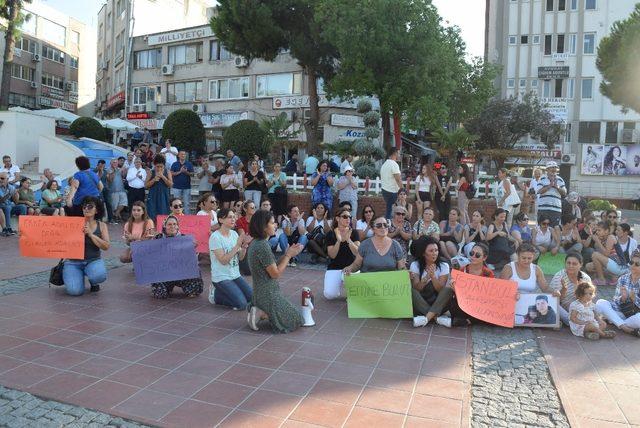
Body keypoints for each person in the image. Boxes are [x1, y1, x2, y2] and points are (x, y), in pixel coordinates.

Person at [246, 209, 304, 333]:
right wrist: (288, 256)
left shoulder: (256, 243)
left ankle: (260, 310)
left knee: (292, 313)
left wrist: (287, 253)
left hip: (259, 293)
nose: (275, 225)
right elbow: (275, 274)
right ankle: (261, 313)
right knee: (296, 318)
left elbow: (271, 265)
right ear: (264, 227)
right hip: (267, 295)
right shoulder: (262, 245)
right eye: (272, 223)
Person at [62, 196, 110, 296]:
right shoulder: (73, 223)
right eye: (84, 207)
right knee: (75, 291)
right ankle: (77, 276)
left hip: (93, 260)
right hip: (72, 262)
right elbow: (56, 236)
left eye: (90, 206)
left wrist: (91, 235)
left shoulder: (101, 225)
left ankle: (93, 280)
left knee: (98, 276)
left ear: (97, 210)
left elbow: (106, 246)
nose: (86, 209)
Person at [439, 243, 494, 328]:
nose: (473, 257)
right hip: (463, 305)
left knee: (488, 309)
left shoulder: (488, 273)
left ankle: (466, 321)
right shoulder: (463, 270)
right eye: (471, 253)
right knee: (451, 298)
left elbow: (491, 294)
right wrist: (454, 287)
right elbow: (458, 293)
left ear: (484, 258)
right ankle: (467, 321)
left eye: (477, 255)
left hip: (478, 306)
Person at [150, 216, 204, 299]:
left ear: (178, 226)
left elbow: (193, 259)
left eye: (175, 224)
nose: (172, 226)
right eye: (169, 224)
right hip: (164, 272)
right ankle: (166, 287)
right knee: (160, 295)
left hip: (181, 272)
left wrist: (193, 249)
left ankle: (191, 288)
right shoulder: (157, 238)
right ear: (165, 226)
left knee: (195, 268)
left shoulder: (185, 239)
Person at [209, 208, 253, 310]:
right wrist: (237, 245)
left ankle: (224, 292)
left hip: (235, 275)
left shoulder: (234, 234)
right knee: (241, 304)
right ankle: (215, 295)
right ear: (220, 220)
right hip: (221, 277)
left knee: (252, 299)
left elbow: (240, 258)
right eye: (229, 217)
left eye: (234, 217)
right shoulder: (215, 237)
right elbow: (223, 261)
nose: (233, 219)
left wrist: (245, 246)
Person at [409, 236, 453, 328]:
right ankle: (436, 318)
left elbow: (440, 290)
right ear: (424, 253)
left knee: (448, 290)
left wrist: (433, 277)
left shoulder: (444, 265)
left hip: (438, 302)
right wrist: (426, 277)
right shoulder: (415, 265)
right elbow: (417, 288)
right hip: (421, 302)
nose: (434, 253)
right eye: (431, 251)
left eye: (436, 250)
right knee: (411, 291)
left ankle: (426, 318)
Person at [595, 250, 640, 337]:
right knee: (600, 303)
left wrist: (634, 299)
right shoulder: (623, 278)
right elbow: (615, 301)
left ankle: (615, 321)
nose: (633, 266)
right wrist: (622, 298)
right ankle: (624, 327)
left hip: (635, 315)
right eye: (631, 262)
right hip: (621, 312)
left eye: (637, 264)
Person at [324, 207, 360, 299]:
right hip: (335, 267)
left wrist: (348, 240)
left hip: (351, 267)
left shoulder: (354, 232)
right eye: (345, 216)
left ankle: (348, 286)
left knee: (354, 296)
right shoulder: (331, 234)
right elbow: (332, 255)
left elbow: (357, 253)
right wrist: (339, 241)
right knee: (329, 295)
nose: (348, 219)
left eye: (349, 217)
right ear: (337, 218)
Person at [549, 253, 592, 325]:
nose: (570, 266)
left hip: (578, 309)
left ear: (580, 265)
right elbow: (556, 300)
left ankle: (572, 322)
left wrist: (578, 291)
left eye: (574, 264)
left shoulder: (585, 278)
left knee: (599, 305)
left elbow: (588, 301)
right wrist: (564, 289)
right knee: (551, 303)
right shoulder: (559, 276)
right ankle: (573, 322)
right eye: (568, 263)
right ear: (565, 263)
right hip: (563, 308)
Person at [536, 161, 566, 227]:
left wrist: (557, 187)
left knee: (555, 228)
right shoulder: (542, 178)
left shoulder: (560, 179)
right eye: (552, 167)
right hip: (543, 208)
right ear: (547, 169)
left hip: (556, 209)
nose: (554, 169)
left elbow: (564, 193)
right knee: (542, 227)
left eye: (555, 167)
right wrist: (550, 185)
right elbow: (538, 191)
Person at [146, 154, 173, 221]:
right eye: (157, 166)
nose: (159, 168)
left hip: (164, 196)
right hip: (153, 196)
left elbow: (171, 185)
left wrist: (163, 177)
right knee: (152, 215)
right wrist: (154, 179)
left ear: (164, 165)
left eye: (161, 166)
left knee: (164, 216)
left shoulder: (167, 172)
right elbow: (146, 185)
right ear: (154, 165)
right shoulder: (151, 172)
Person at [380, 147, 402, 219]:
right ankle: (389, 226)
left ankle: (388, 224)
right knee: (393, 211)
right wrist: (402, 190)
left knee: (389, 209)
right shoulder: (394, 164)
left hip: (385, 190)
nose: (399, 155)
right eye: (399, 153)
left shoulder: (384, 164)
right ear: (395, 153)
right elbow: (398, 179)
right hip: (392, 191)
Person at [107, 158, 128, 222]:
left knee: (124, 203)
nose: (115, 163)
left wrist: (124, 171)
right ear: (110, 163)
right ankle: (115, 217)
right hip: (113, 191)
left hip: (122, 189)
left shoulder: (119, 169)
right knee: (114, 206)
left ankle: (116, 215)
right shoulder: (108, 170)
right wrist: (115, 171)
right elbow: (110, 180)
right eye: (113, 162)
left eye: (116, 162)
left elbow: (124, 176)